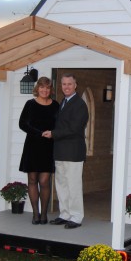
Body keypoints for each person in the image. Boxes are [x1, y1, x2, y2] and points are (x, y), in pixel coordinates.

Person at [44, 73, 89, 229]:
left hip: (73, 153)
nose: (66, 87)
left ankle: (76, 217)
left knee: (73, 186)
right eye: (64, 84)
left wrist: (53, 134)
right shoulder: (63, 102)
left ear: (75, 85)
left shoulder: (80, 105)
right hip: (60, 151)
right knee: (62, 185)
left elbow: (75, 129)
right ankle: (65, 214)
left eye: (70, 84)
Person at [19, 76, 59, 225]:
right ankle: (35, 214)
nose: (45, 90)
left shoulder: (56, 105)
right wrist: (39, 133)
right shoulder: (30, 104)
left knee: (44, 181)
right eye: (42, 87)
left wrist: (52, 133)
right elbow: (22, 124)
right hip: (33, 146)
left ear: (50, 90)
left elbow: (60, 125)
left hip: (48, 147)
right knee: (32, 180)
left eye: (47, 87)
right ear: (37, 89)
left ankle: (44, 214)